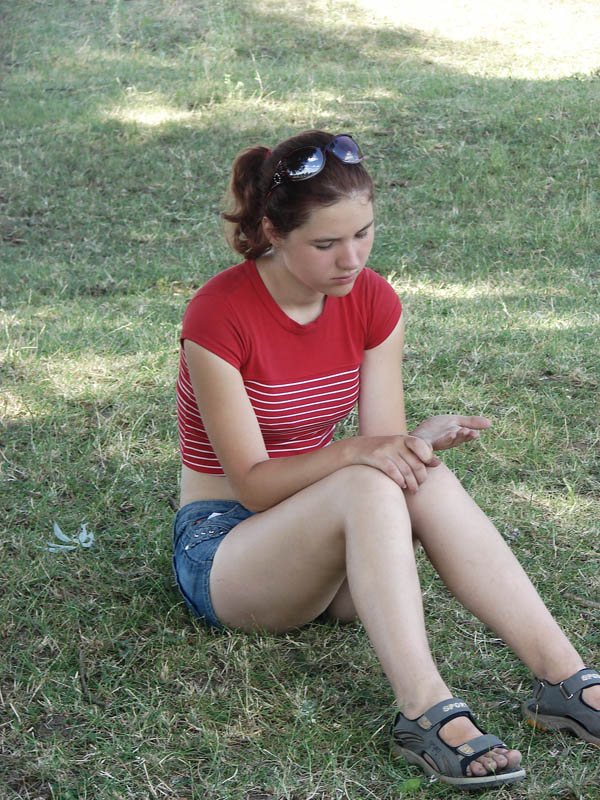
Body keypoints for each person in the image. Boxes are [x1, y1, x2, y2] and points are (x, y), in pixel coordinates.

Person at [172, 130, 600, 790]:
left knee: (417, 475)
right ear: (273, 233)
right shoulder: (218, 316)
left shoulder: (373, 301)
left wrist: (411, 444)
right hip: (227, 552)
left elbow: (385, 452)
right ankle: (424, 708)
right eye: (326, 244)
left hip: (329, 550)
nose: (351, 259)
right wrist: (359, 453)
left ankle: (563, 679)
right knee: (368, 481)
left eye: (363, 234)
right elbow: (254, 488)